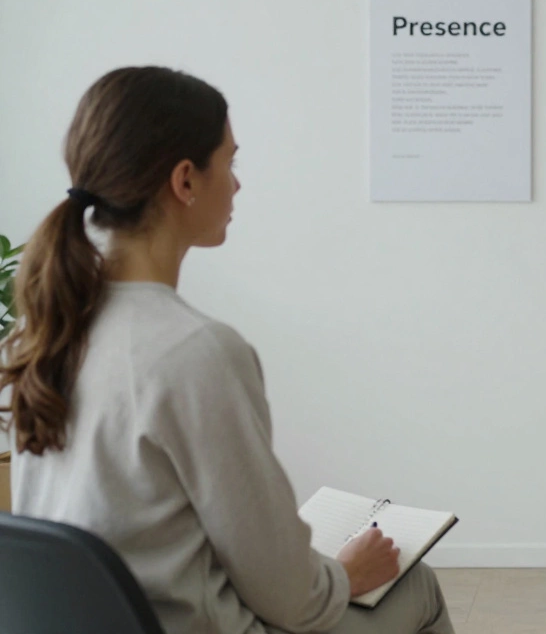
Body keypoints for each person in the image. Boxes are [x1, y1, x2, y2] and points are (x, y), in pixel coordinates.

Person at [1, 66, 453, 634]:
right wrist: (346, 572)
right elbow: (294, 601)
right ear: (185, 180)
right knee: (416, 587)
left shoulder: (41, 333)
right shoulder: (197, 352)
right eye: (230, 162)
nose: (237, 184)